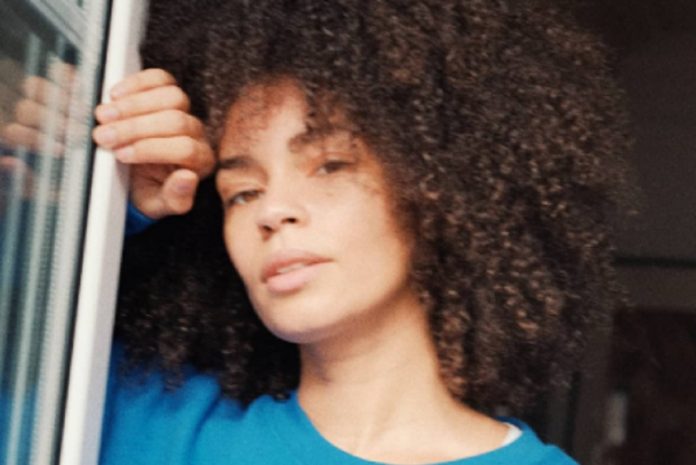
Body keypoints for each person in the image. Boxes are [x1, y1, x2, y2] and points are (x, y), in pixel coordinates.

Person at [92, 1, 633, 464]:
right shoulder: (145, 422)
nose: (273, 210)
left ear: (435, 187)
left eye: (330, 166)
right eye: (243, 192)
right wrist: (111, 198)